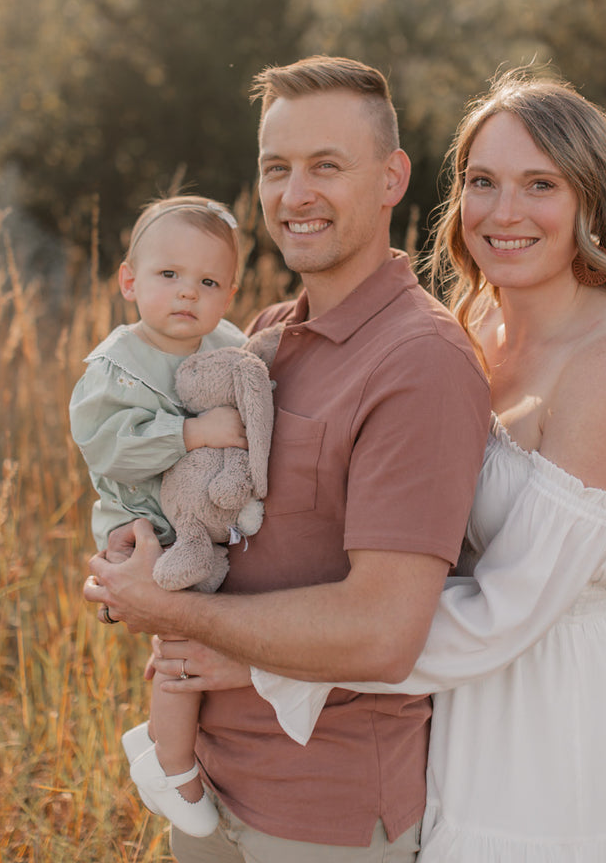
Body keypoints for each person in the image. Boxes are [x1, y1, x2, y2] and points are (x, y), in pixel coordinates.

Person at [247, 68, 606, 860]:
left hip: (553, 714)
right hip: (443, 705)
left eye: (540, 185)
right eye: (482, 182)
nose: (503, 211)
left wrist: (274, 652)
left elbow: (506, 612)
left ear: (590, 200)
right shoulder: (471, 325)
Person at [85, 56, 492, 861]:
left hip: (321, 813)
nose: (294, 194)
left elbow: (384, 633)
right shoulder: (260, 335)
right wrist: (132, 566)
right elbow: (203, 508)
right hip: (207, 784)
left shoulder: (421, 361)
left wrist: (174, 613)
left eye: (325, 167)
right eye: (277, 168)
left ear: (392, 177)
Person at [68, 195, 256, 836]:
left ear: (230, 294)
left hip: (200, 520)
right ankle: (171, 764)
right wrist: (192, 434)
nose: (187, 294)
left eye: (208, 283)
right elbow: (109, 448)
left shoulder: (230, 345)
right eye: (168, 275)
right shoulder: (117, 365)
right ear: (129, 281)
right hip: (143, 526)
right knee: (183, 640)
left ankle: (158, 738)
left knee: (206, 632)